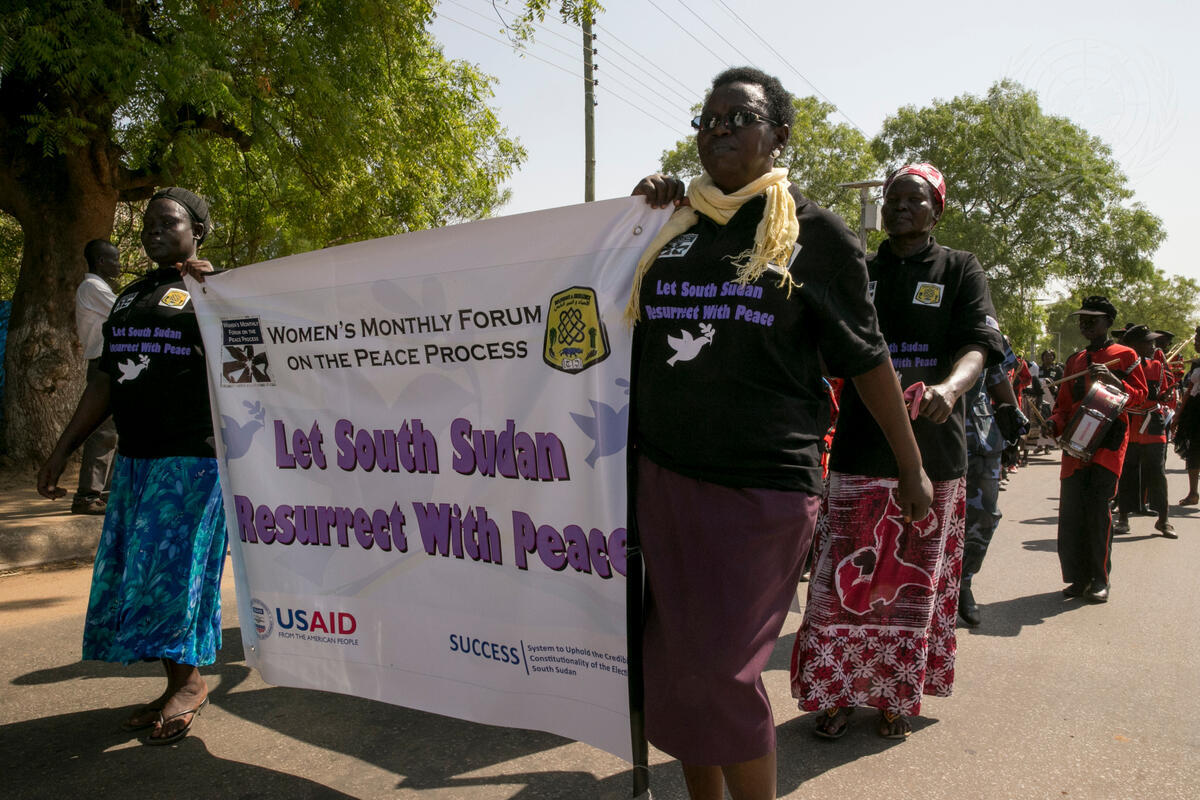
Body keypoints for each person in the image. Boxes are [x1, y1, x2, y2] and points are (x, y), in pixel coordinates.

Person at [628, 67, 931, 800]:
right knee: (678, 669)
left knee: (723, 671)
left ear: (779, 137)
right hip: (663, 477)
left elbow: (867, 357)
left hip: (762, 488)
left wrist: (911, 466)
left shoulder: (815, 235)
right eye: (709, 118)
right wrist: (639, 212)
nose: (719, 128)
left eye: (739, 117)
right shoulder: (670, 226)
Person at [791, 162, 1005, 740]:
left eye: (915, 199)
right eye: (893, 198)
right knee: (842, 582)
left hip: (935, 455)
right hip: (860, 451)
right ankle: (836, 694)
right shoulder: (859, 269)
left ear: (938, 209)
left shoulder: (960, 269)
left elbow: (979, 344)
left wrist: (950, 389)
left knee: (911, 585)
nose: (901, 207)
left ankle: (893, 695)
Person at [37, 187, 224, 745]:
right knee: (136, 575)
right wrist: (63, 449)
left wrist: (216, 290)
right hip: (137, 459)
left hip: (192, 460)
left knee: (169, 575)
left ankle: (189, 684)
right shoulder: (129, 298)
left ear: (197, 232)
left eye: (168, 223)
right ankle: (179, 683)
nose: (153, 232)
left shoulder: (214, 291)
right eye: (147, 224)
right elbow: (105, 382)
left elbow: (253, 358)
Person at [1044, 296, 1146, 603]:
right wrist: (1053, 423)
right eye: (1082, 319)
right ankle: (1078, 579)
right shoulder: (1075, 360)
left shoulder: (1125, 355)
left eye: (1093, 319)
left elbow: (1140, 396)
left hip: (1108, 443)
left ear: (1108, 323)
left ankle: (1100, 580)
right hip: (1075, 444)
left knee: (1098, 512)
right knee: (1072, 513)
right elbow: (1063, 407)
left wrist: (1115, 381)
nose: (1085, 324)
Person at [960, 342, 1026, 627]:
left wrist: (1014, 431)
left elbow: (998, 379)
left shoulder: (986, 328)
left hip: (980, 438)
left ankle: (963, 582)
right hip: (925, 434)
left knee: (984, 516)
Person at [71, 239, 122, 514]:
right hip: (104, 363)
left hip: (111, 361)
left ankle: (106, 493)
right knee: (103, 430)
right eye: (114, 259)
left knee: (115, 430)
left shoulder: (98, 288)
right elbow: (124, 312)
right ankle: (87, 496)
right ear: (101, 262)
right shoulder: (93, 287)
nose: (119, 265)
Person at [1115, 325, 1175, 537]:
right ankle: (1123, 518)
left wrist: (1165, 396)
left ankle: (1164, 520)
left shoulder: (1157, 366)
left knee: (1157, 472)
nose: (1153, 346)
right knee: (1127, 471)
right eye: (1148, 342)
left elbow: (1162, 391)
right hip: (1130, 422)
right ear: (1134, 346)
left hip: (1153, 423)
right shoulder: (1121, 368)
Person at [1171, 326, 1200, 505]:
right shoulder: (1196, 364)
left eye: (1198, 340)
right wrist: (1178, 415)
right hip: (1195, 413)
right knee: (1194, 450)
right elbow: (1189, 391)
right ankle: (1193, 493)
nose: (1195, 343)